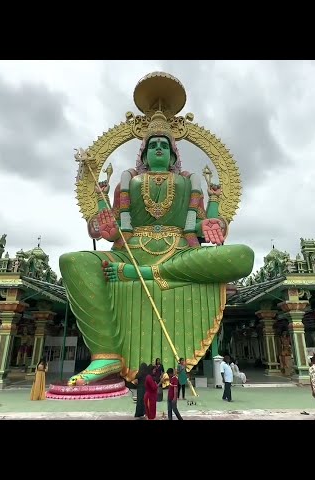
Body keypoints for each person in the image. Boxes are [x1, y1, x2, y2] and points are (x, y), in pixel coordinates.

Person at [59, 101, 255, 387]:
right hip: (129, 256)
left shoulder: (189, 183)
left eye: (165, 144)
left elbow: (200, 223)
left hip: (178, 254)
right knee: (72, 261)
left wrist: (215, 224)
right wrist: (102, 227)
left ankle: (153, 275)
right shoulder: (127, 182)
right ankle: (106, 355)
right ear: (145, 153)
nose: (159, 148)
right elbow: (112, 228)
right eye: (154, 145)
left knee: (243, 256)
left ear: (174, 152)